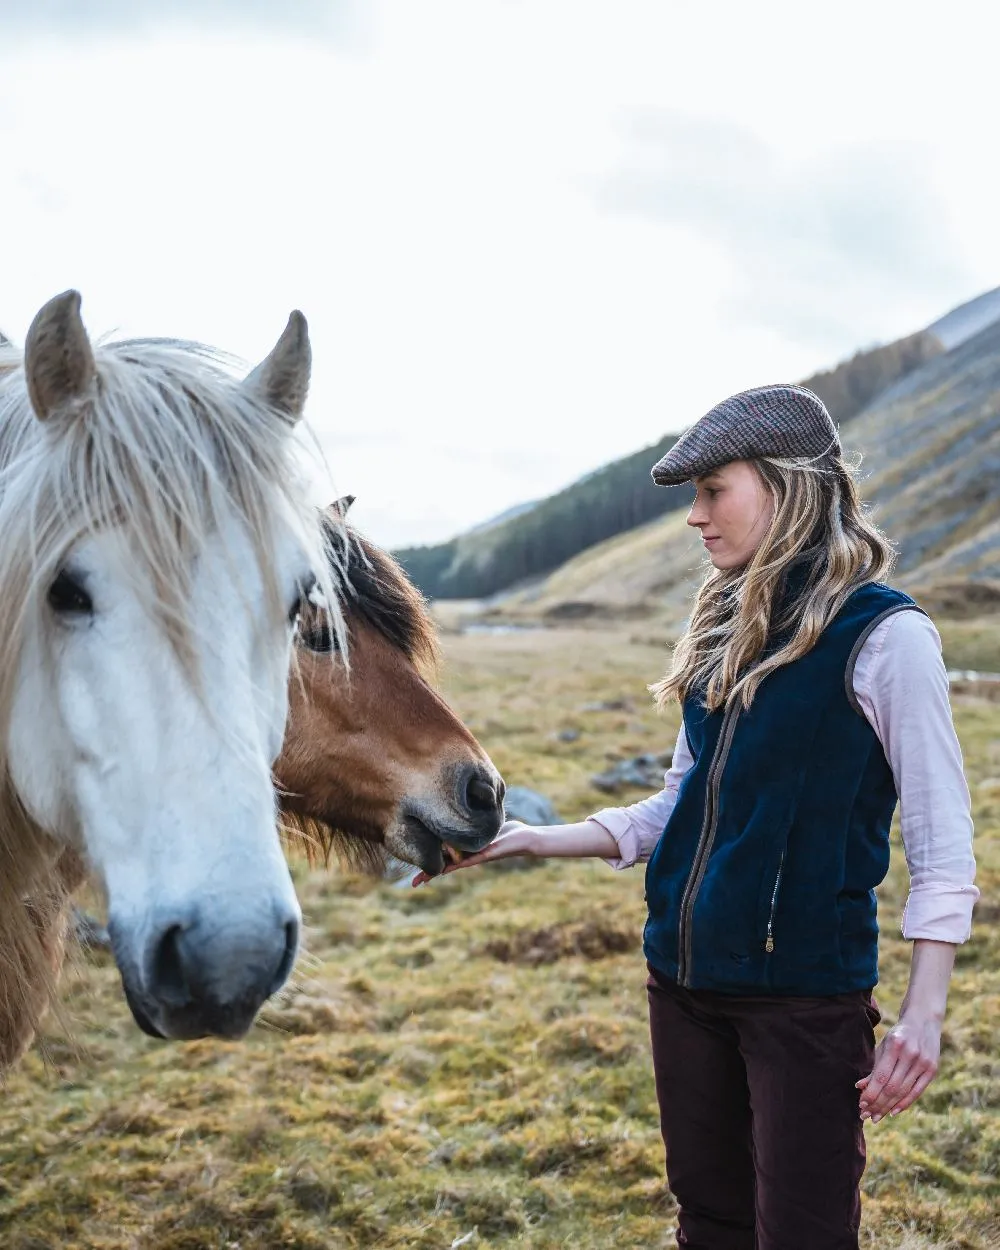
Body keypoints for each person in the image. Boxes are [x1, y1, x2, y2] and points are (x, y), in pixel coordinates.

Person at [414, 384, 979, 1250]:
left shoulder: (887, 637)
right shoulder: (727, 626)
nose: (696, 517)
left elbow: (942, 845)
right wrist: (528, 839)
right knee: (709, 1227)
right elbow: (680, 803)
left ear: (787, 487)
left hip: (802, 1005)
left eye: (715, 490)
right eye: (694, 498)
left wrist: (923, 1014)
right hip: (681, 986)